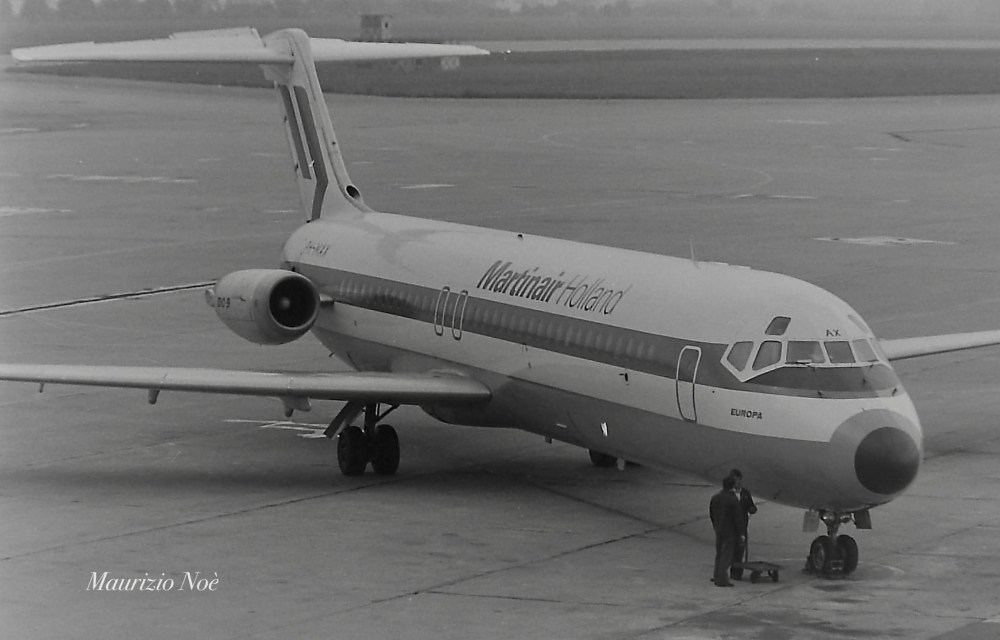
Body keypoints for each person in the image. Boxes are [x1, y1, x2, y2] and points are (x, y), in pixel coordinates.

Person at [709, 475, 741, 587]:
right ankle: (722, 579)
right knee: (726, 555)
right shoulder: (733, 499)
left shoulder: (715, 497)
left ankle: (717, 575)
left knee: (719, 554)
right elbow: (737, 518)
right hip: (729, 531)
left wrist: (716, 525)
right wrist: (741, 533)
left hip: (719, 529)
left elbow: (712, 513)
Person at [729, 469, 758, 580]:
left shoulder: (745, 494)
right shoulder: (728, 494)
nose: (737, 482)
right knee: (729, 550)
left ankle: (737, 572)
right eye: (735, 480)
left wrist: (752, 509)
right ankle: (728, 571)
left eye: (739, 480)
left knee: (740, 550)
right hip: (730, 527)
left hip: (742, 527)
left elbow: (750, 506)